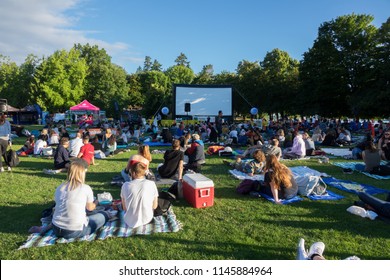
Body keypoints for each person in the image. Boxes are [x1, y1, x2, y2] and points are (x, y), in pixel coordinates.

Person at [52, 159, 114, 239]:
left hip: (56, 228)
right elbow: (90, 208)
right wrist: (96, 202)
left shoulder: (60, 188)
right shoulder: (85, 188)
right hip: (74, 231)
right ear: (82, 174)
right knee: (103, 215)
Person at [120, 162, 158, 228]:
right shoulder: (152, 184)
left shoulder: (125, 185)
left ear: (133, 173)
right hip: (147, 219)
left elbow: (124, 208)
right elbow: (154, 206)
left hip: (129, 220)